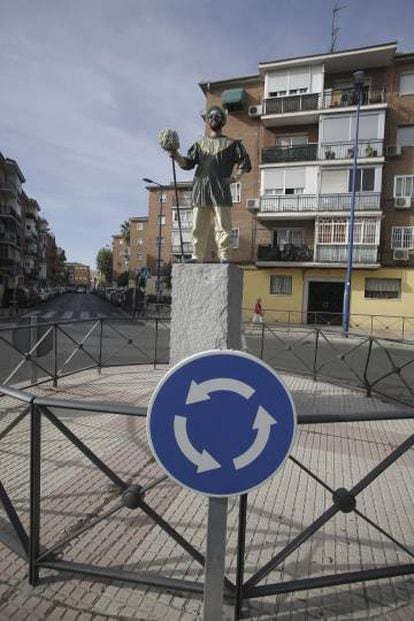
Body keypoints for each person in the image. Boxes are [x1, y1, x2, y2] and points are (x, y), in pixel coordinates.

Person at [168, 104, 251, 263]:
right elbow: (188, 164)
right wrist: (176, 154)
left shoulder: (233, 144)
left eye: (217, 116)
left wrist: (234, 178)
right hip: (201, 189)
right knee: (198, 226)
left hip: (221, 189)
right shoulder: (200, 144)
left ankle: (225, 256)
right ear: (207, 120)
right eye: (211, 116)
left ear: (223, 121)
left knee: (224, 225)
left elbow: (244, 162)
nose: (214, 118)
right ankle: (196, 256)